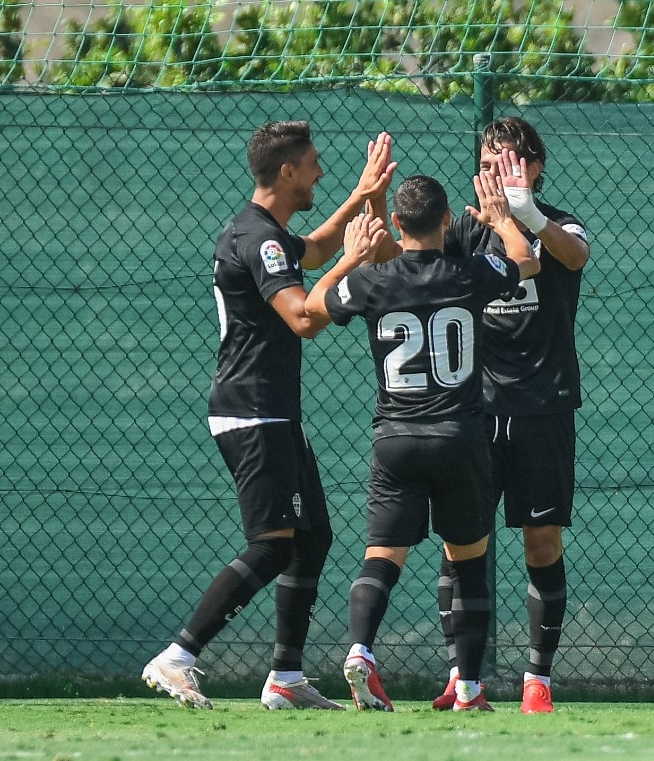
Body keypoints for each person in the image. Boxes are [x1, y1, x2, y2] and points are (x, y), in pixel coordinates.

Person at [141, 120, 396, 710]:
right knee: (273, 544)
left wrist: (361, 195)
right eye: (313, 164)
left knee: (312, 538)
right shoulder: (260, 240)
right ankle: (178, 656)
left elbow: (315, 247)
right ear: (286, 171)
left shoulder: (265, 231)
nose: (319, 173)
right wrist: (353, 263)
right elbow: (304, 319)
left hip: (271, 411)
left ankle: (285, 677)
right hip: (252, 411)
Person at [304, 173, 540, 712]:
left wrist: (352, 257)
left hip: (396, 437)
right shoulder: (468, 273)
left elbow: (315, 305)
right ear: (445, 223)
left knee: (382, 556)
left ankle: (361, 650)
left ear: (397, 226)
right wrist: (502, 219)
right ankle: (470, 689)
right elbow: (526, 260)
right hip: (459, 435)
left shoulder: (373, 280)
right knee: (469, 561)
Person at [427, 117, 590, 714]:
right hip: (473, 409)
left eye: (512, 162)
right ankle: (460, 675)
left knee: (541, 542)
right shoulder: (463, 232)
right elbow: (415, 261)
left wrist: (528, 215)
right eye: (490, 161)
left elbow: (575, 255)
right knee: (459, 543)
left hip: (542, 406)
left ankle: (537, 678)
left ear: (535, 166)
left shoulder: (557, 223)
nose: (500, 172)